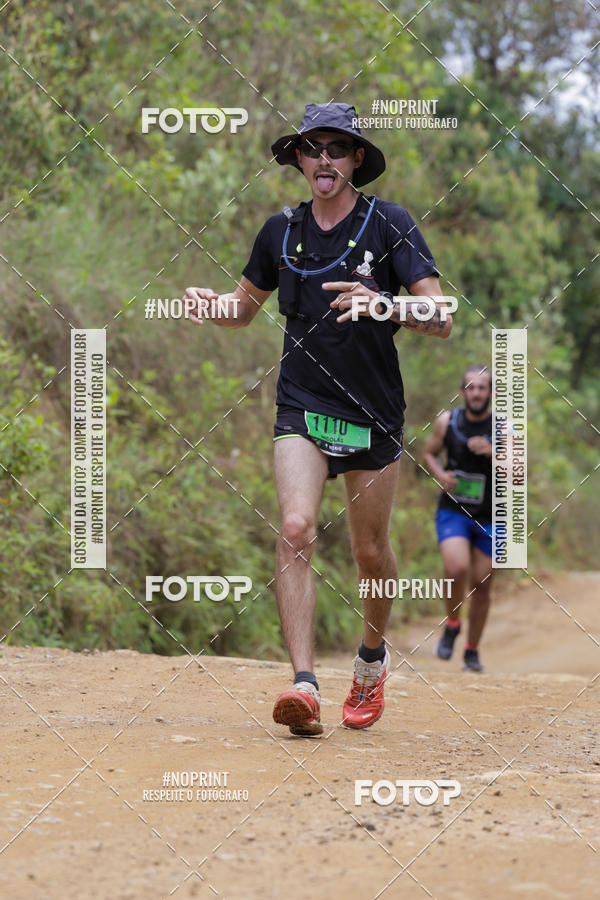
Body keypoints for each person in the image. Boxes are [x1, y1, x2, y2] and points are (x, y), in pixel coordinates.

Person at [183, 102, 452, 736]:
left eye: (337, 148)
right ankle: (303, 684)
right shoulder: (280, 231)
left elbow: (442, 317)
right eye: (313, 148)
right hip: (302, 402)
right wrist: (210, 306)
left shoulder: (391, 225)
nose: (324, 159)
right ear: (300, 159)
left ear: (357, 159)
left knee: (369, 550)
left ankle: (370, 657)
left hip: (371, 410)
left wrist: (382, 303)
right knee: (297, 526)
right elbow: (245, 309)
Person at [422, 365, 493, 672]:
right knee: (456, 568)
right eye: (471, 387)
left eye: (482, 388)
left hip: (493, 515)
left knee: (482, 583)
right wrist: (440, 476)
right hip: (453, 510)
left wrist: (493, 452)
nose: (476, 393)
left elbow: (520, 472)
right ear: (463, 391)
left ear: (491, 393)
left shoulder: (504, 428)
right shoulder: (446, 422)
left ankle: (472, 651)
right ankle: (452, 623)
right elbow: (428, 454)